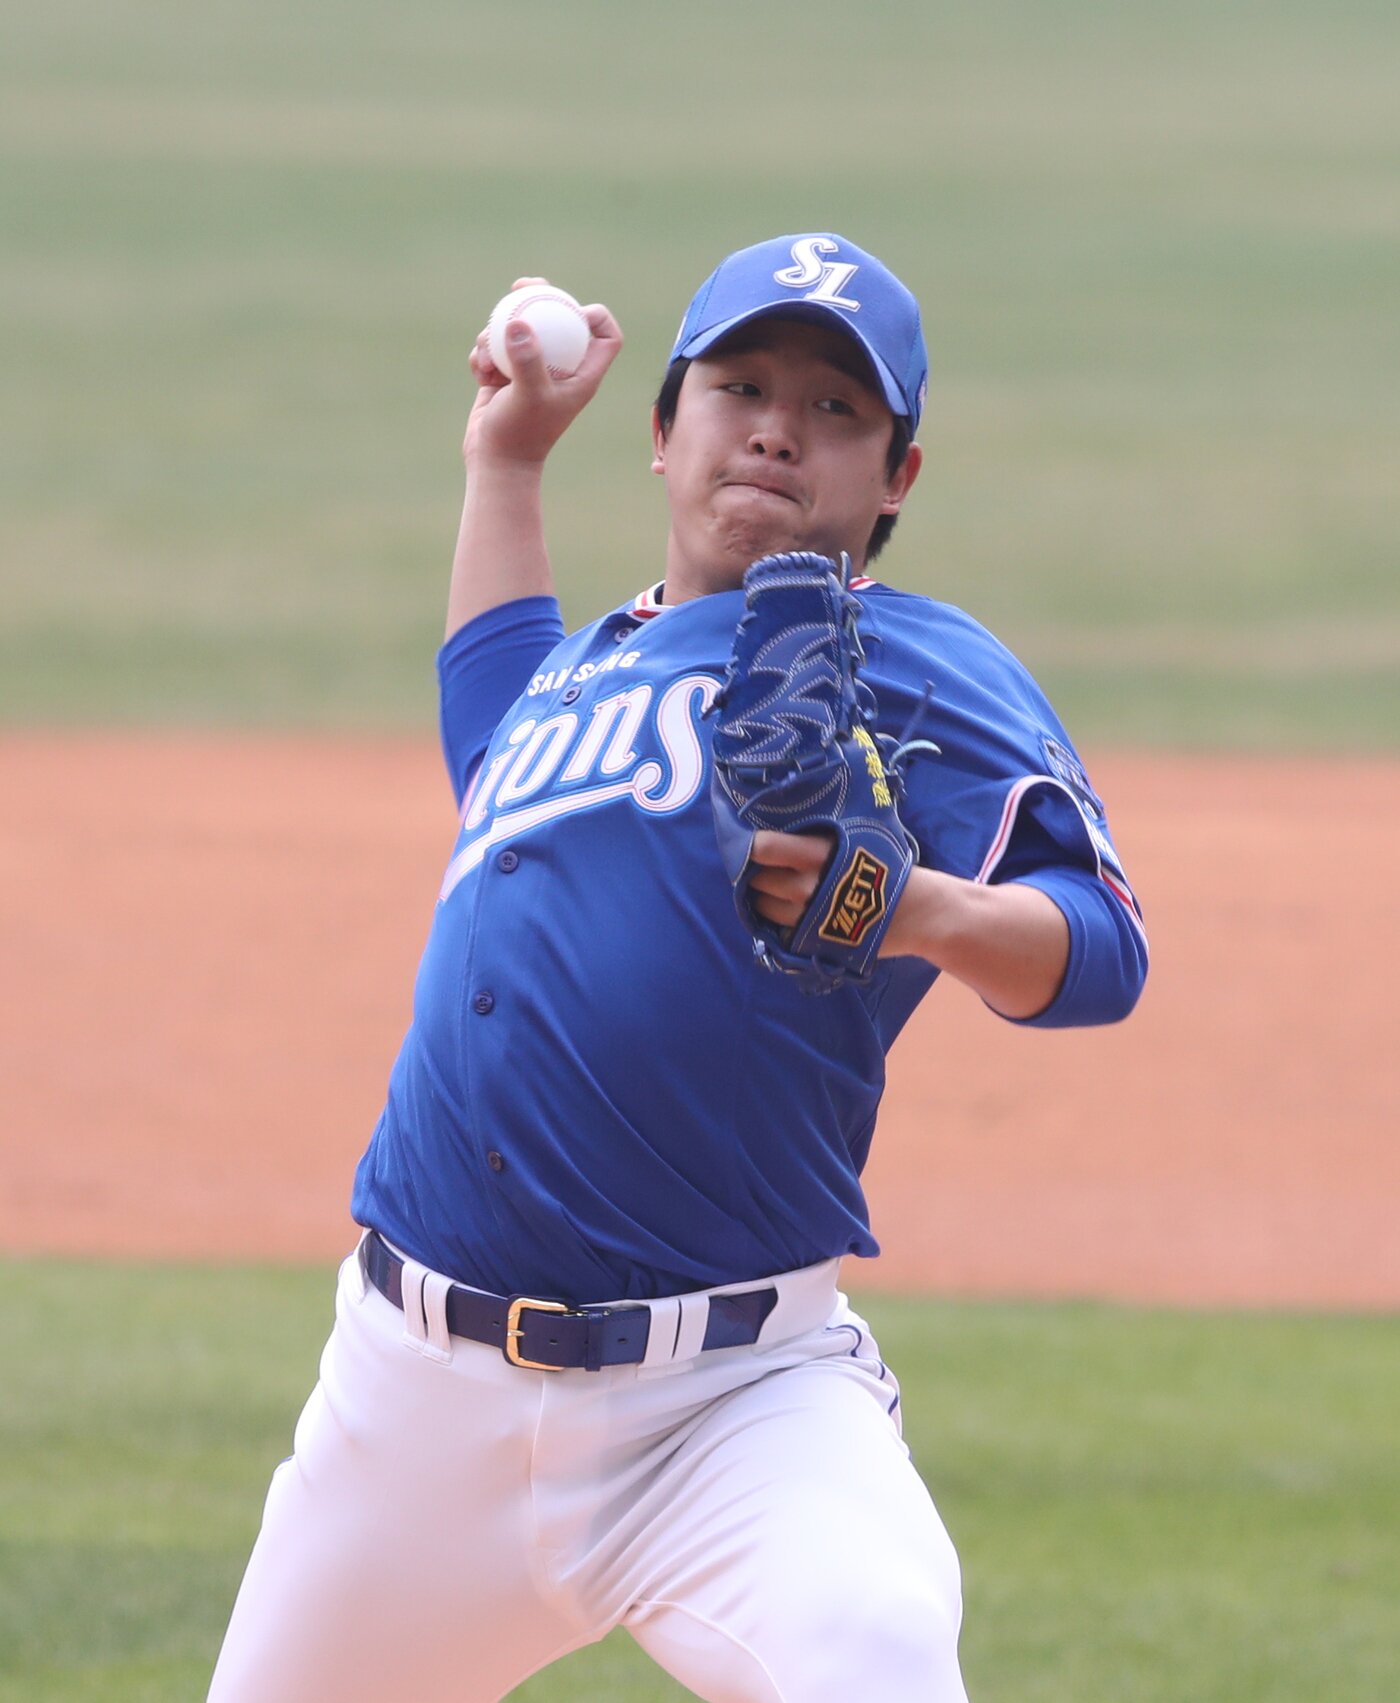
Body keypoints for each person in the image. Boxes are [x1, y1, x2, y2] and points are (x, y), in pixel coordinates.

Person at [208, 233, 1147, 1703]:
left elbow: (1101, 949)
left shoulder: (914, 662)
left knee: (874, 1651)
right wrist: (506, 463)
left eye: (835, 409)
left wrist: (915, 910)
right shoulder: (576, 673)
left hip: (729, 1406)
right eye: (741, 387)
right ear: (663, 430)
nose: (777, 429)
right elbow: (490, 721)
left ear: (896, 477)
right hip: (409, 1408)